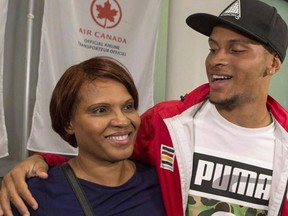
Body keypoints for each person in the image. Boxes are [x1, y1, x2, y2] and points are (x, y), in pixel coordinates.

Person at [1, 0, 288, 215]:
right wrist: (41, 163)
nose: (216, 60)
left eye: (237, 50)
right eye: (213, 48)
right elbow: (104, 154)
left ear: (273, 64)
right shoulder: (166, 123)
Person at [3, 56, 166, 215]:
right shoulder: (32, 196)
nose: (122, 121)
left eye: (128, 106)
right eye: (101, 110)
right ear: (68, 123)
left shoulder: (163, 183)